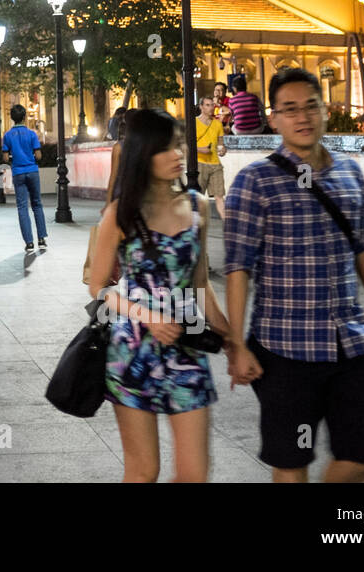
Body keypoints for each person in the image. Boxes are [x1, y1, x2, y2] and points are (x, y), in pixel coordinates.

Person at [225, 67, 364, 483]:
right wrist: (237, 345)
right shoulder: (255, 182)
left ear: (325, 111)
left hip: (350, 343)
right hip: (284, 347)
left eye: (311, 106)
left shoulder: (349, 173)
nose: (302, 117)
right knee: (291, 463)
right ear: (273, 119)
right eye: (289, 110)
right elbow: (238, 269)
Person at [87, 108, 235, 483]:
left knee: (194, 474)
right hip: (133, 351)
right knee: (142, 471)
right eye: (165, 148)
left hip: (187, 349)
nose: (178, 154)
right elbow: (99, 288)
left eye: (179, 144)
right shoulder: (121, 214)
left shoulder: (198, 206)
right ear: (143, 155)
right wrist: (146, 315)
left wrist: (232, 340)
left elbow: (200, 283)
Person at [1, 103, 47, 253]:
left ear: (12, 118)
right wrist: (31, 156)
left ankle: (29, 242)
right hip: (32, 171)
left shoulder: (7, 135)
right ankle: (41, 239)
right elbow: (39, 155)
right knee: (37, 204)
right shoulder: (32, 134)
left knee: (22, 207)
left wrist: (16, 157)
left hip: (18, 172)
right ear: (25, 117)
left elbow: (6, 157)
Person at [194, 95, 227, 219]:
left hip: (215, 164)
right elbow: (187, 145)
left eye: (212, 105)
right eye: (207, 105)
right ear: (201, 107)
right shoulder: (194, 122)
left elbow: (220, 143)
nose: (211, 107)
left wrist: (223, 149)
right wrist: (201, 150)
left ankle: (227, 226)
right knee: (199, 198)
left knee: (220, 197)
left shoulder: (217, 124)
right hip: (200, 163)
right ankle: (196, 227)